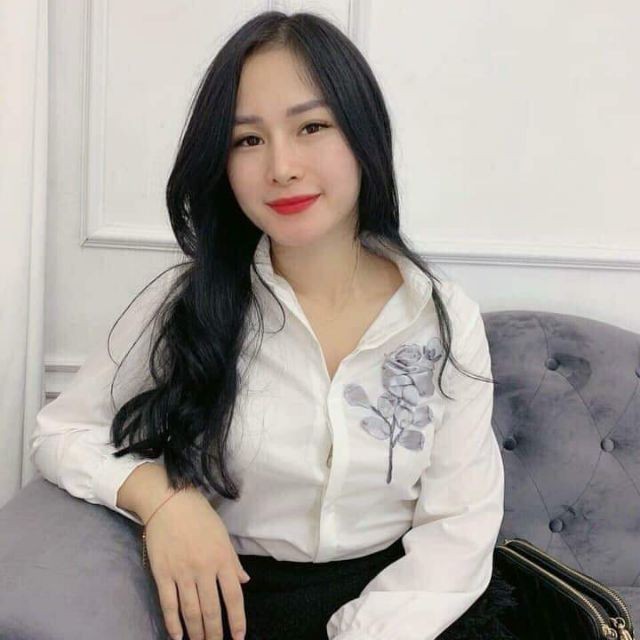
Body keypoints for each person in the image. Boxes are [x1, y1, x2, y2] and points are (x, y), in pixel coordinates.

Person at [30, 10, 508, 640]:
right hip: (235, 608)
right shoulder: (191, 303)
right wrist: (164, 499)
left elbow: (459, 526)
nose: (281, 166)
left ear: (363, 134)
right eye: (248, 140)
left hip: (408, 611)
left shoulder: (442, 317)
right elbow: (61, 433)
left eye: (312, 126)